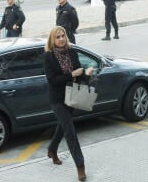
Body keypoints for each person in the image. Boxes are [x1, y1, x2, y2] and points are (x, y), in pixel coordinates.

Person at [43, 26, 94, 181]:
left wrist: (86, 74)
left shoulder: (72, 52)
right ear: (52, 39)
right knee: (70, 130)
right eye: (57, 37)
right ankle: (80, 166)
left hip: (72, 96)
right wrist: (71, 74)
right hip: (57, 99)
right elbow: (52, 80)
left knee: (62, 126)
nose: (61, 39)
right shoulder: (48, 56)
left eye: (63, 35)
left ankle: (52, 149)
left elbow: (79, 76)